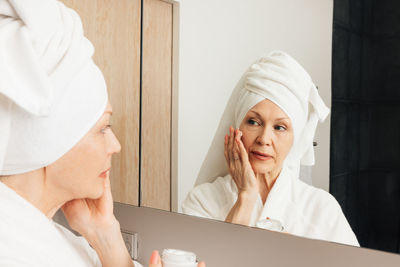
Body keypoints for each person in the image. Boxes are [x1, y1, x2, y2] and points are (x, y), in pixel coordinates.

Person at [0, 0, 205, 266]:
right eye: (103, 128)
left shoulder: (47, 237)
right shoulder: (14, 253)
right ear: (51, 141)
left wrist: (107, 237)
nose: (115, 146)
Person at [182, 51, 359, 246]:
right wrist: (246, 197)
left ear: (295, 138)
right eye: (253, 122)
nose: (264, 139)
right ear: (237, 128)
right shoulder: (203, 200)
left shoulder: (321, 209)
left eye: (280, 127)